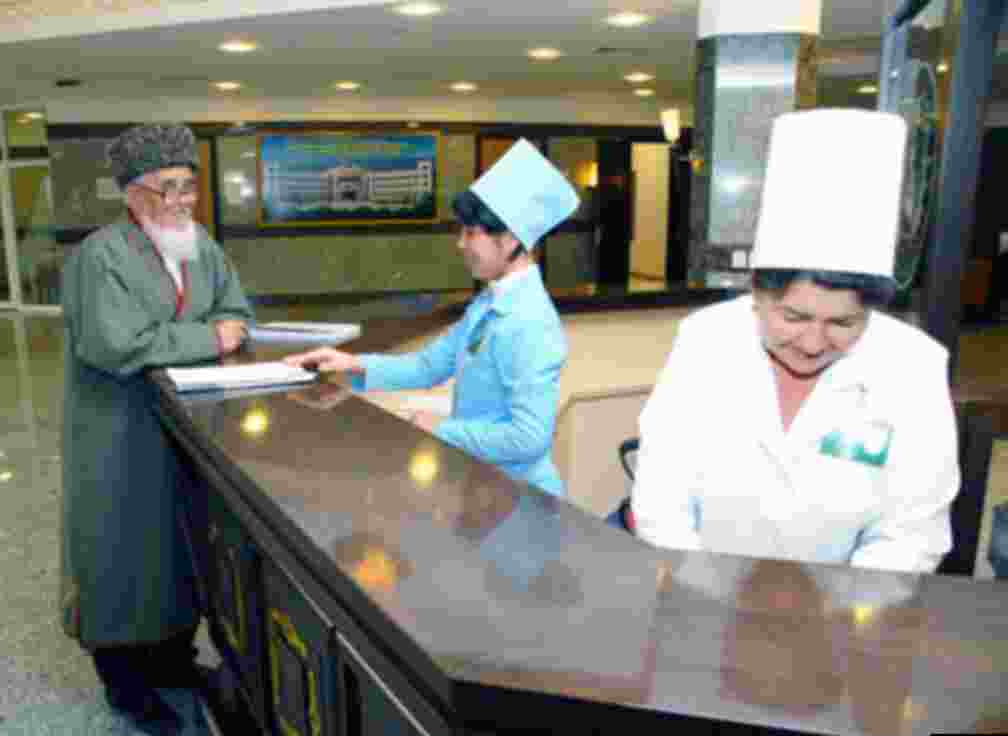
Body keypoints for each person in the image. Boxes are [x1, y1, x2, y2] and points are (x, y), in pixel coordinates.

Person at [629, 108, 960, 573]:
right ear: (757, 294)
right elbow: (661, 494)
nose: (812, 343)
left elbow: (912, 530)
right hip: (700, 593)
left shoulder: (912, 366)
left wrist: (839, 613)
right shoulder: (706, 339)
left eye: (843, 323)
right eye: (794, 316)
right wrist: (701, 592)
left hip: (841, 614)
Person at [60, 123, 254, 736]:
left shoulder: (202, 246)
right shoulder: (101, 256)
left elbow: (236, 311)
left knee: (178, 549)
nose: (179, 203)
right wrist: (207, 337)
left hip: (188, 428)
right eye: (165, 190)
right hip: (119, 431)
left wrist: (224, 328)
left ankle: (173, 657)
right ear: (131, 193)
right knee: (122, 553)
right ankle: (126, 684)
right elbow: (115, 343)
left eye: (187, 189)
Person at [286, 138, 577, 496]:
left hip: (522, 499)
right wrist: (348, 363)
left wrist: (440, 428)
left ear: (510, 239)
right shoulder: (489, 304)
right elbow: (429, 365)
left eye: (470, 232)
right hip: (487, 489)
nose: (460, 244)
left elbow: (529, 438)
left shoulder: (531, 322)